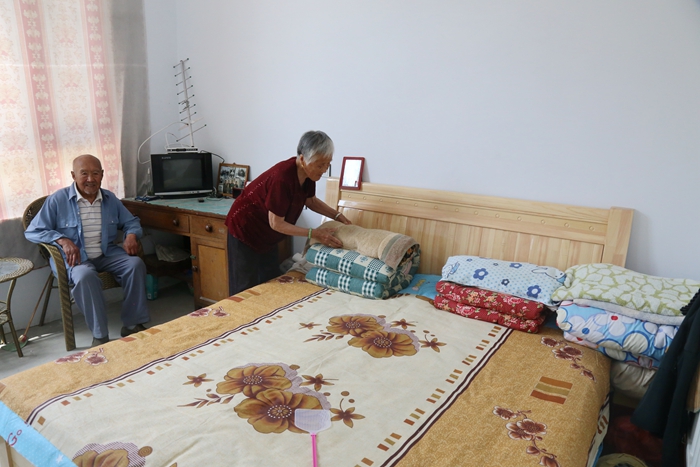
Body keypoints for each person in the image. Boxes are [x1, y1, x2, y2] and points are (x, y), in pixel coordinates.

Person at [25, 154, 150, 347]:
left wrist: (132, 235)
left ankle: (132, 324)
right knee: (85, 277)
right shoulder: (58, 199)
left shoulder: (110, 199)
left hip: (107, 253)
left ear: (102, 175)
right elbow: (33, 231)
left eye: (95, 173)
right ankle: (100, 335)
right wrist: (62, 239)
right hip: (76, 260)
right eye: (84, 173)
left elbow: (131, 221)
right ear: (73, 175)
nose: (90, 179)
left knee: (135, 265)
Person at [225, 130, 351, 295]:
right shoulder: (283, 178)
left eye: (328, 164)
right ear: (302, 159)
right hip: (246, 229)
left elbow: (311, 201)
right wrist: (314, 233)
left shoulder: (308, 176)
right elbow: (276, 223)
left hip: (267, 235)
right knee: (244, 288)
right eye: (320, 165)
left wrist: (338, 216)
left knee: (269, 281)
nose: (324, 170)